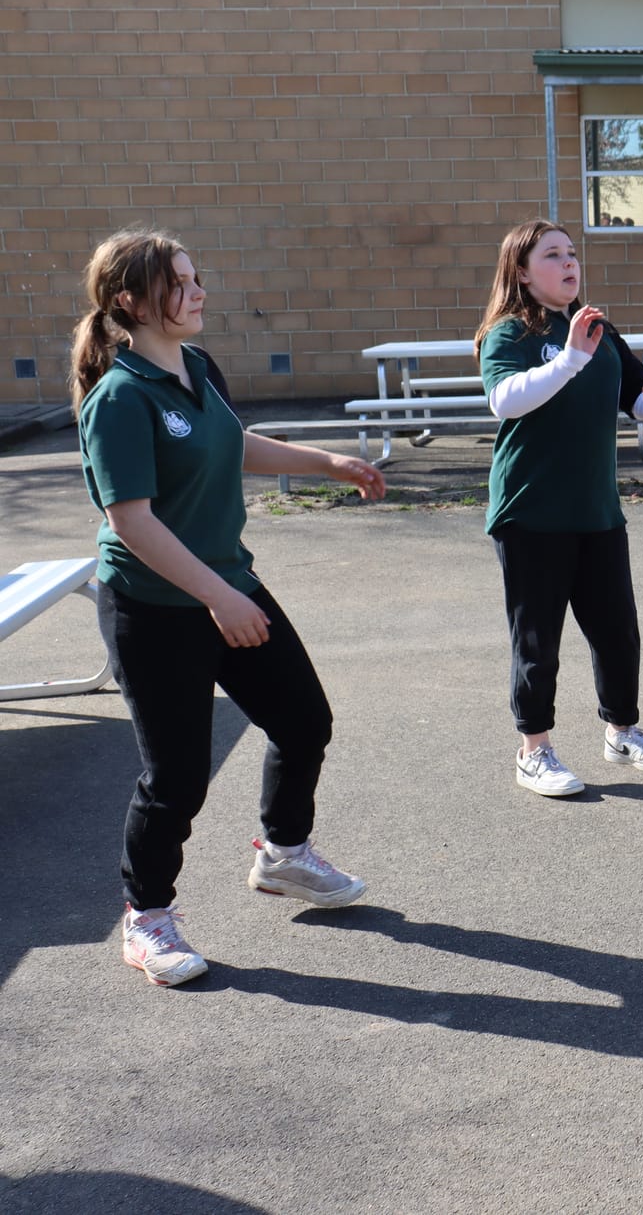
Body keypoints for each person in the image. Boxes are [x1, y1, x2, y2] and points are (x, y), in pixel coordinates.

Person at [72, 230, 387, 988]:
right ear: (129, 300)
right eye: (177, 283)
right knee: (177, 775)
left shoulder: (196, 367)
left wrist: (329, 462)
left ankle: (283, 854)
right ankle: (146, 918)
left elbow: (230, 442)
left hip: (225, 582)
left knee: (305, 720)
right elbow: (132, 521)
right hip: (152, 605)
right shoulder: (118, 397)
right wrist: (217, 598)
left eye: (194, 277)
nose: (197, 292)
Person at [478, 219, 643, 798]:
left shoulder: (594, 327)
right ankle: (534, 751)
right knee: (537, 640)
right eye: (552, 255)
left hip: (597, 511)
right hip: (530, 513)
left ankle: (623, 731)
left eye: (571, 253)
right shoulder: (510, 333)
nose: (569, 263)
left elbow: (640, 398)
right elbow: (504, 401)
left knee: (618, 632)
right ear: (521, 270)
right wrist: (567, 360)